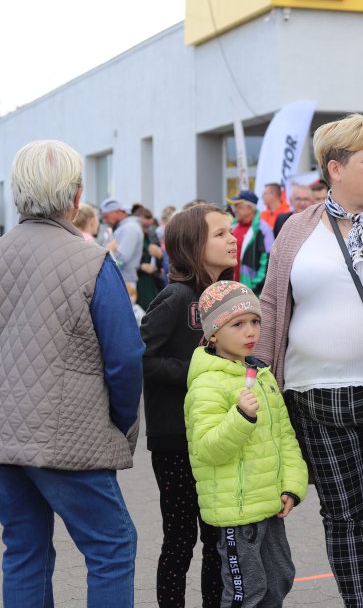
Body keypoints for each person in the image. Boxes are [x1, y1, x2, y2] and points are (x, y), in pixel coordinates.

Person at [254, 114, 363, 607]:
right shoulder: (296, 228)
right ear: (335, 167)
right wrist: (258, 376)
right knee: (344, 520)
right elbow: (271, 302)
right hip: (312, 400)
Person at [0, 140, 144, 608]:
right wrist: (121, 422)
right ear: (76, 195)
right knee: (111, 546)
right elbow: (124, 358)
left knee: (24, 551)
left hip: (6, 435)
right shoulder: (92, 261)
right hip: (69, 437)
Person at [185, 281, 307, 608]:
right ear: (213, 333)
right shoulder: (207, 384)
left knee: (280, 578)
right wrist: (240, 416)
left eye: (255, 322)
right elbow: (208, 447)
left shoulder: (261, 375)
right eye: (237, 324)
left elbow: (284, 437)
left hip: (268, 504)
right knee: (247, 590)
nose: (250, 331)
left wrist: (292, 486)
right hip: (237, 512)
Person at [142, 203, 237, 608]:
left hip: (214, 438)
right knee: (180, 538)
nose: (232, 238)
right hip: (176, 440)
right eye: (219, 234)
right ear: (190, 246)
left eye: (231, 231)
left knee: (216, 536)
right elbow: (140, 355)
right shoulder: (176, 297)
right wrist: (197, 373)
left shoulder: (223, 297)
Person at [227, 190, 274, 295]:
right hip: (232, 290)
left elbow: (268, 260)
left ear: (249, 208)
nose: (234, 211)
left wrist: (256, 286)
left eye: (238, 207)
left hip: (252, 292)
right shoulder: (232, 227)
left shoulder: (263, 229)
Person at [101, 197, 145, 287]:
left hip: (124, 281)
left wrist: (109, 249)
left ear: (116, 212)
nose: (105, 221)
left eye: (106, 216)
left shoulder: (130, 228)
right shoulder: (124, 227)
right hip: (121, 280)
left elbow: (122, 260)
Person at [135, 205, 166, 310]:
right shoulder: (131, 236)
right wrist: (140, 266)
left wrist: (160, 256)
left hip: (153, 282)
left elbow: (162, 264)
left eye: (149, 226)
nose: (147, 230)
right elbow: (121, 262)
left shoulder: (152, 235)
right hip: (138, 283)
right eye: (144, 227)